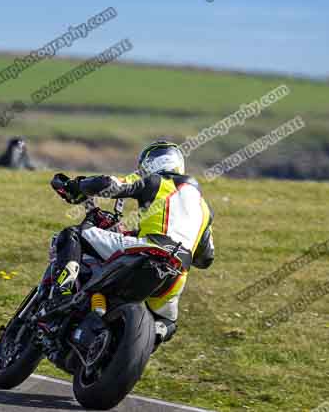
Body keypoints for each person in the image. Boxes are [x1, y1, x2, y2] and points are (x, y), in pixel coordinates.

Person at [50, 141, 214, 347]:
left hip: (149, 249)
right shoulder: (205, 209)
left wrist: (76, 186)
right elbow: (206, 258)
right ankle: (146, 337)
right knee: (168, 321)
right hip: (178, 272)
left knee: (73, 234)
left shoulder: (157, 181)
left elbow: (109, 184)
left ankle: (61, 293)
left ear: (152, 162)